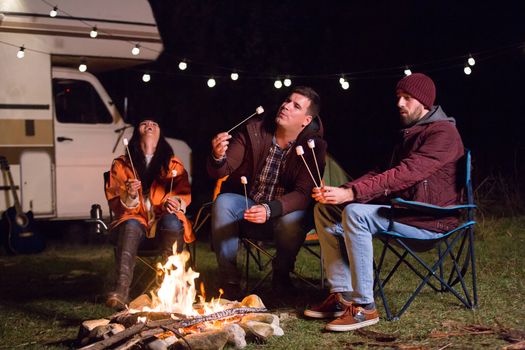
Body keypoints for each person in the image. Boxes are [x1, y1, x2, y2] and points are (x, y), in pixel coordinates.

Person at [304, 73, 465, 331]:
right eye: (398, 97)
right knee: (325, 209)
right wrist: (343, 190)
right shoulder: (409, 134)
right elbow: (381, 172)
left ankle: (365, 307)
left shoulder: (443, 133)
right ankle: (342, 296)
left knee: (356, 212)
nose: (400, 103)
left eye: (408, 98)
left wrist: (353, 195)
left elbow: (405, 174)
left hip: (430, 219)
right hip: (406, 212)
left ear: (425, 102)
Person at [207, 86, 327, 298]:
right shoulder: (254, 131)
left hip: (286, 213)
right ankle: (229, 280)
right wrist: (218, 157)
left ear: (306, 121)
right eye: (287, 101)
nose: (286, 106)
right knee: (223, 202)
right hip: (251, 205)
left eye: (295, 106)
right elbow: (222, 170)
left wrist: (270, 209)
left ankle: (281, 275)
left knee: (292, 221)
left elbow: (303, 193)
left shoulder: (313, 146)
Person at [105, 118, 194, 309]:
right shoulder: (121, 164)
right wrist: (129, 194)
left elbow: (184, 194)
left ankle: (173, 290)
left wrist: (176, 202)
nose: (150, 126)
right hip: (134, 228)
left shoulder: (173, 165)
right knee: (130, 223)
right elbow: (116, 202)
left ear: (161, 132)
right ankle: (121, 291)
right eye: (144, 123)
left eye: (155, 123)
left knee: (172, 220)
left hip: (164, 227)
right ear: (137, 131)